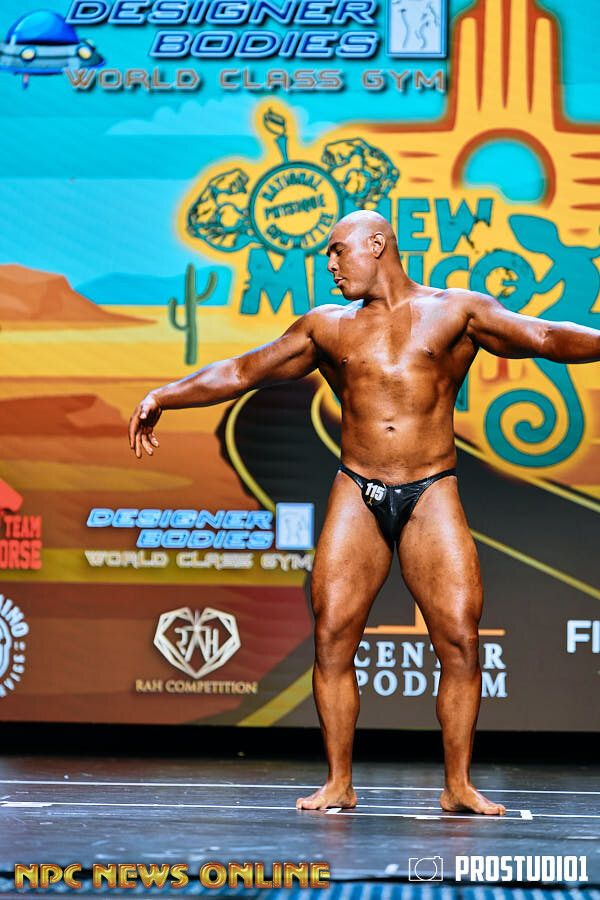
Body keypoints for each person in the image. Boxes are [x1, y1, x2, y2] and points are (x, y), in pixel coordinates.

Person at [128, 210, 600, 815]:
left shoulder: (457, 311)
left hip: (431, 489)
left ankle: (457, 786)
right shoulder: (327, 327)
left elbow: (545, 337)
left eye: (336, 251)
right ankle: (338, 783)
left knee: (460, 640)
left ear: (377, 244)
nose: (329, 265)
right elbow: (243, 370)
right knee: (332, 636)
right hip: (358, 489)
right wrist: (162, 395)